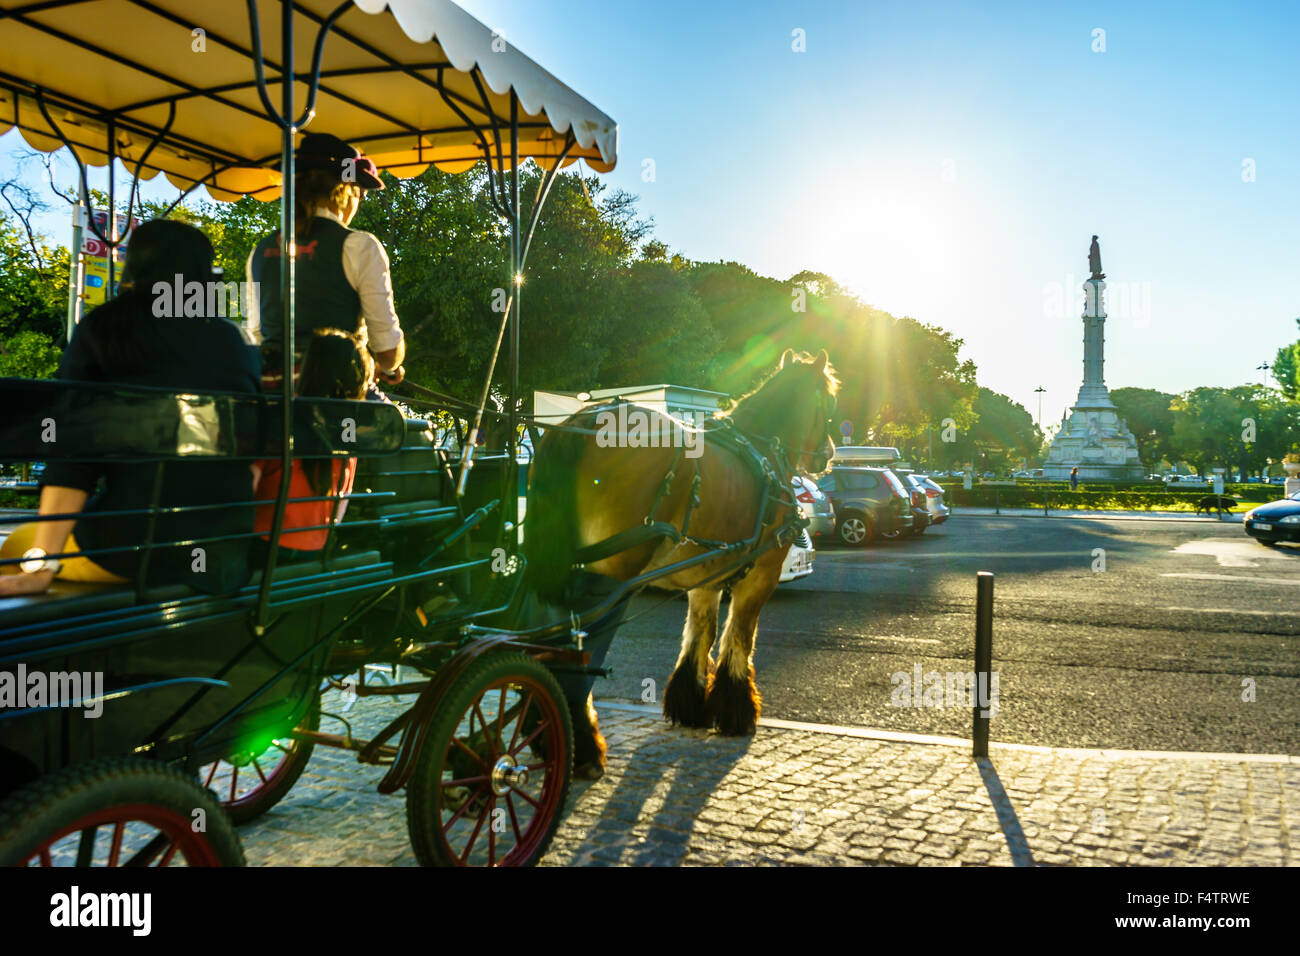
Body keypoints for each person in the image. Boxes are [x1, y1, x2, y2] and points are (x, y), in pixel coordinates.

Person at [0, 220, 261, 596]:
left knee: (15, 545)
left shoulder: (105, 329)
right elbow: (251, 464)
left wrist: (41, 566)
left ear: (133, 266)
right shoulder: (235, 343)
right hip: (220, 555)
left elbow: (72, 458)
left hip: (130, 552)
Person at [246, 132, 405, 393]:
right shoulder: (360, 246)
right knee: (410, 433)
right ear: (346, 190)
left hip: (274, 396)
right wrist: (390, 367)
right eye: (360, 192)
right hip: (331, 397)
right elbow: (387, 350)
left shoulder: (259, 250)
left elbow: (256, 335)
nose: (360, 200)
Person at [251, 329, 371, 558]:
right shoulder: (348, 435)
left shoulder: (279, 418)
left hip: (263, 549)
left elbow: (247, 489)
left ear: (308, 368)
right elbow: (339, 512)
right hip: (315, 552)